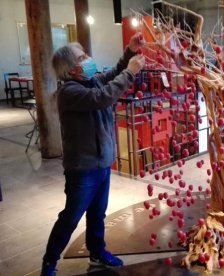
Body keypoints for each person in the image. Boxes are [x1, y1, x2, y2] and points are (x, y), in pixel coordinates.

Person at [40, 34, 145, 276]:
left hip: (102, 163)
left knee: (98, 213)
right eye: (82, 57)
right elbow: (103, 97)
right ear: (72, 69)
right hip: (82, 168)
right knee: (71, 217)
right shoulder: (69, 92)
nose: (88, 59)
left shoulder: (91, 81)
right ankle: (49, 262)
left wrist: (130, 51)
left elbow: (112, 74)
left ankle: (97, 252)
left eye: (85, 54)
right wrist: (130, 73)